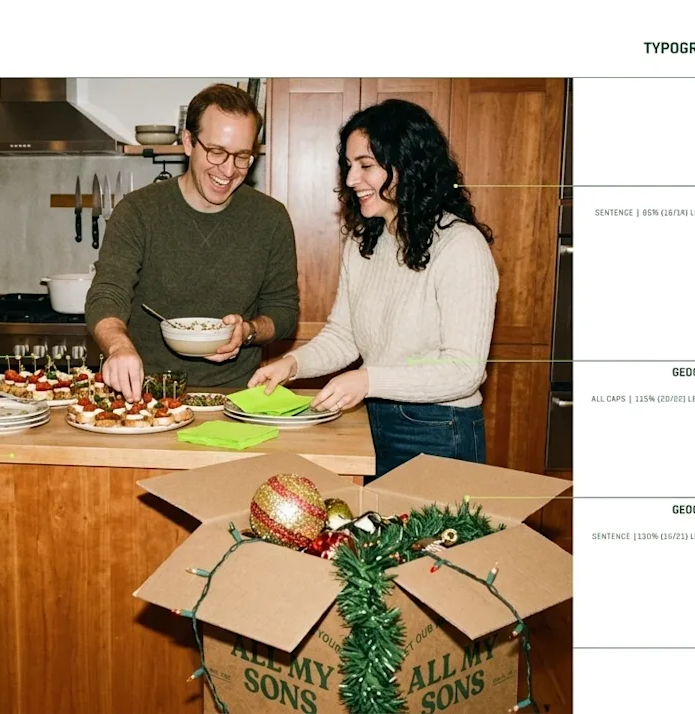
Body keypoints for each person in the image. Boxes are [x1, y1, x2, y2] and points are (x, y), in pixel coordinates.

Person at [249, 99, 499, 479]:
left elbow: (464, 370)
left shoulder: (461, 246)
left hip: (441, 431)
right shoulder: (366, 239)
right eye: (349, 166)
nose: (351, 180)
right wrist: (292, 365)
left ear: (409, 165)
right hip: (374, 419)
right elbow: (344, 336)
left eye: (366, 165)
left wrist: (369, 379)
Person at [86, 83, 299, 402]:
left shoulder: (271, 218)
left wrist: (248, 331)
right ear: (188, 142)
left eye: (242, 157)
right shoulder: (138, 212)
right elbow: (106, 293)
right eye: (216, 152)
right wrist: (119, 347)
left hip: (237, 397)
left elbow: (283, 312)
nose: (228, 170)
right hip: (145, 396)